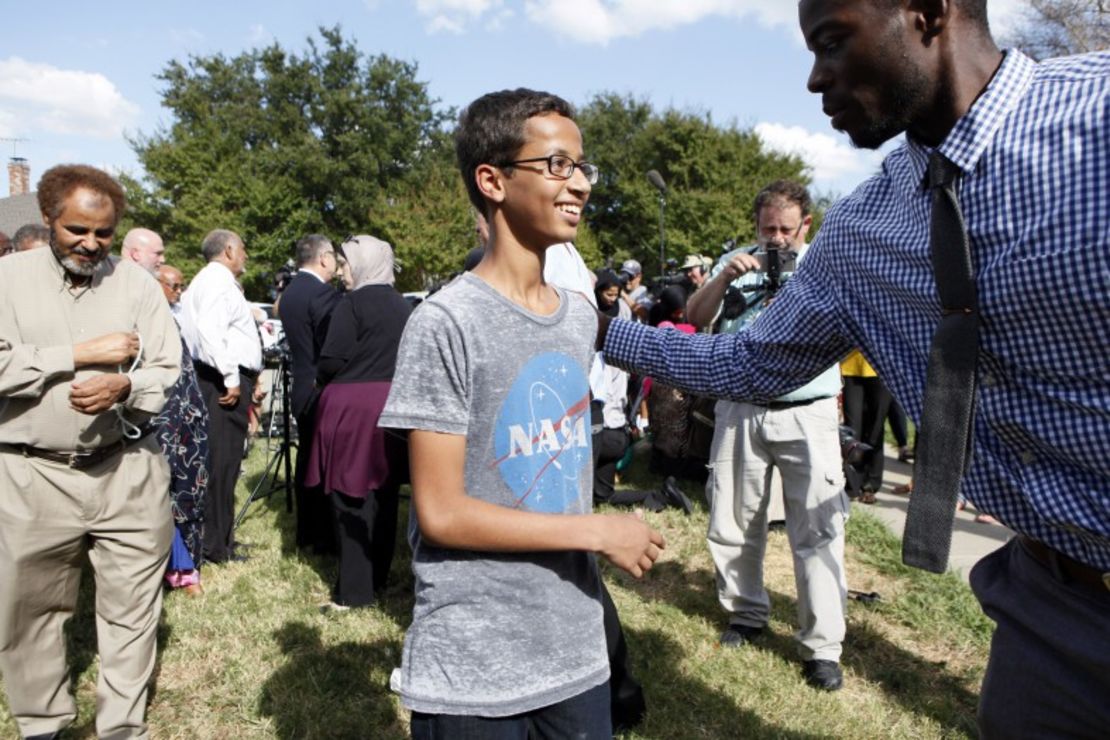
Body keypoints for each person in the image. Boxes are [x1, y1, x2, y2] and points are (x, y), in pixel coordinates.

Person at [600, 2, 1109, 733]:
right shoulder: (862, 231)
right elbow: (751, 360)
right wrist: (600, 333)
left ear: (927, 13)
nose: (815, 79)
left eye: (832, 43)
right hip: (1047, 610)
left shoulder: (1098, 118)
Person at [379, 88, 664, 739]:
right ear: (493, 180)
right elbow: (442, 512)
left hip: (577, 656)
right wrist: (597, 532)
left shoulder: (579, 315)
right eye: (558, 165)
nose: (581, 185)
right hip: (475, 669)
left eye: (583, 166)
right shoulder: (445, 323)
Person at [0, 165, 180, 739]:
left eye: (104, 233)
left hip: (127, 467)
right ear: (49, 219)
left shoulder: (136, 285)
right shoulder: (8, 279)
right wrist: (78, 354)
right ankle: (43, 724)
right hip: (32, 474)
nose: (91, 244)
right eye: (77, 229)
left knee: (132, 610)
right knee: (28, 613)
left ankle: (122, 727)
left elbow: (166, 369)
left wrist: (126, 385)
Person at [684, 180, 847, 689]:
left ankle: (822, 647)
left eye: (785, 229)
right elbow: (694, 317)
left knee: (818, 528)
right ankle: (745, 615)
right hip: (740, 407)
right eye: (766, 229)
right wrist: (724, 278)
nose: (775, 239)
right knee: (733, 517)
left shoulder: (828, 265)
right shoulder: (737, 261)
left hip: (808, 409)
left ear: (806, 225)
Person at [307, 235, 411, 608]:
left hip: (353, 413)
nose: (342, 271)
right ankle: (378, 579)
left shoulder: (351, 306)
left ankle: (354, 592)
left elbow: (332, 360)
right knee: (383, 498)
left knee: (350, 501)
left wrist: (322, 375)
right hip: (393, 410)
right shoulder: (404, 307)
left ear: (364, 264)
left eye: (347, 263)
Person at [178, 229, 262, 565]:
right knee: (221, 464)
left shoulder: (209, 282)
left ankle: (221, 539)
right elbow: (212, 335)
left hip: (222, 378)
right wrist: (231, 379)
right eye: (242, 248)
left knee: (225, 464)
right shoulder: (216, 282)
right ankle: (215, 546)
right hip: (220, 380)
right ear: (228, 250)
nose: (245, 255)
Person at [278, 233, 341, 554]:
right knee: (325, 464)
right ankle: (324, 536)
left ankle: (306, 532)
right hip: (321, 388)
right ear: (323, 258)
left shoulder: (289, 293)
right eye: (334, 256)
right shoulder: (323, 294)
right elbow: (332, 347)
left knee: (307, 461)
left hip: (301, 386)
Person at [152, 261, 210, 595]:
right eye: (174, 286)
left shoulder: (171, 319)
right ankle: (175, 567)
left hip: (185, 423)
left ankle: (184, 568)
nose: (179, 293)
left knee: (186, 495)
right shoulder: (141, 322)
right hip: (160, 422)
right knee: (162, 494)